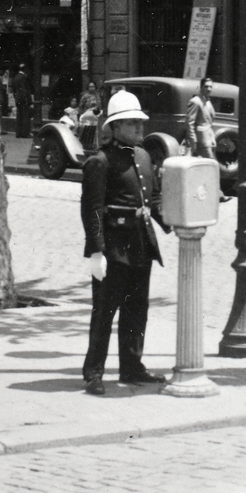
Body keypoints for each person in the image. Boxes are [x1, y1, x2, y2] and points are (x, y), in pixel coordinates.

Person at [79, 89, 168, 395]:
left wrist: (175, 222)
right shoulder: (100, 162)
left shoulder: (143, 156)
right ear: (114, 127)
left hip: (141, 243)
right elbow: (92, 209)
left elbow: (153, 199)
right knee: (104, 312)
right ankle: (94, 372)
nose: (139, 129)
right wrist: (96, 250)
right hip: (114, 246)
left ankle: (132, 367)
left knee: (136, 309)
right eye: (131, 124)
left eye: (139, 123)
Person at [185, 76, 218, 159]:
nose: (209, 89)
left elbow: (209, 123)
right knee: (211, 164)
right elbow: (190, 123)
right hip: (200, 142)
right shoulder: (196, 101)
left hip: (209, 140)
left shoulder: (208, 102)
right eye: (206, 86)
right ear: (201, 87)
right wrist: (194, 142)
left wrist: (212, 138)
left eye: (210, 87)